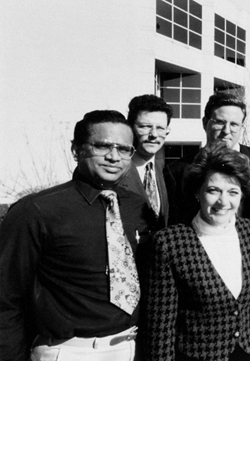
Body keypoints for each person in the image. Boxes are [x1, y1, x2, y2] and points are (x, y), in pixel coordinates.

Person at [0, 110, 152, 361]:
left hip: (129, 348)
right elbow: (5, 297)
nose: (114, 157)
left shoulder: (138, 208)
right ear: (76, 150)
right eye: (102, 146)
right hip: (67, 352)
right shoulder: (36, 210)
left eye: (124, 149)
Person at [140, 148, 250, 360]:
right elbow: (161, 330)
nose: (223, 202)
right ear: (197, 192)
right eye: (213, 190)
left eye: (233, 192)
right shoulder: (170, 243)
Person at [163, 93, 250, 223]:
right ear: (205, 123)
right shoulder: (177, 171)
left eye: (234, 124)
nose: (227, 130)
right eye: (220, 122)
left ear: (242, 127)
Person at [120, 94, 172, 229]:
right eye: (145, 126)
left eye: (160, 128)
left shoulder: (167, 173)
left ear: (167, 131)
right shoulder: (115, 171)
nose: (154, 134)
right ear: (130, 128)